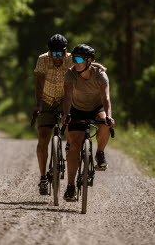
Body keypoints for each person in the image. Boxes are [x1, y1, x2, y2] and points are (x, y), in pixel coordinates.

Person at [62, 44, 115, 201]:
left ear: (89, 61)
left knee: (104, 122)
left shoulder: (101, 75)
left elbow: (106, 98)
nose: (75, 62)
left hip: (96, 108)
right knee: (75, 146)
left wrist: (109, 116)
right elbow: (68, 96)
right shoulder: (70, 74)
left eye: (79, 59)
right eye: (73, 59)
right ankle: (70, 186)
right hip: (77, 109)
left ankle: (100, 153)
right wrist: (66, 114)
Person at [32, 34, 73, 195]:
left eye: (60, 54)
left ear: (65, 52)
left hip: (66, 99)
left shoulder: (71, 60)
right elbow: (39, 82)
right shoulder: (42, 59)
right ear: (49, 52)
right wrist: (38, 105)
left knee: (70, 126)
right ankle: (43, 177)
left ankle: (69, 148)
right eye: (54, 54)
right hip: (47, 99)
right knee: (43, 137)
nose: (57, 58)